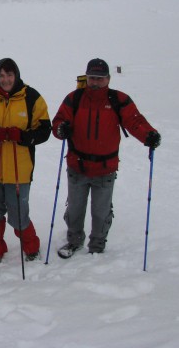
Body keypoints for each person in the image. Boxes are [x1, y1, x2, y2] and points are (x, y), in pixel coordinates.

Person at [52, 58, 161, 258]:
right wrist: (61, 128)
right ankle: (74, 241)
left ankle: (97, 245)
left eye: (100, 79)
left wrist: (148, 134)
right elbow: (58, 121)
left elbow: (135, 121)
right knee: (75, 210)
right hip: (77, 166)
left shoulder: (118, 99)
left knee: (101, 212)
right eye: (92, 78)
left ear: (108, 79)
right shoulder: (74, 98)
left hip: (105, 168)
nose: (95, 82)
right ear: (86, 77)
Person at [0, 58, 51, 267]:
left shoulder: (31, 97)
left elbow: (44, 130)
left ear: (16, 75)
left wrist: (23, 136)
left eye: (10, 75)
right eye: (2, 75)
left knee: (19, 212)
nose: (6, 80)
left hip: (20, 169)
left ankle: (31, 246)